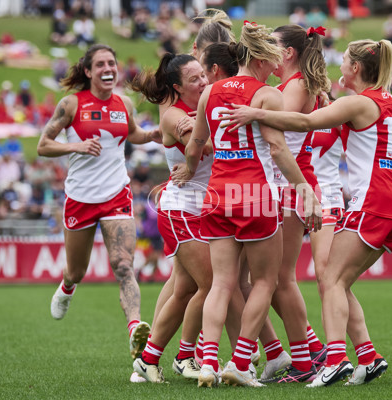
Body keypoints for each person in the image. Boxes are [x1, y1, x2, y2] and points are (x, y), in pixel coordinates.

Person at [219, 38, 392, 388]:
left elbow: (304, 124)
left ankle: (334, 359)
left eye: (345, 62)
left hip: (373, 203)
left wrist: (256, 112)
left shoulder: (358, 103)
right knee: (339, 280)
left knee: (331, 279)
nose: (339, 67)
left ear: (356, 68)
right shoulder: (390, 103)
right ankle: (367, 356)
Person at [172, 21, 322, 388]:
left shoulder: (211, 91)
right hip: (255, 195)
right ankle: (240, 362)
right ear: (263, 57)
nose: (277, 66)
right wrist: (304, 188)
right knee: (265, 282)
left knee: (221, 283)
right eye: (273, 58)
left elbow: (195, 144)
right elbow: (277, 149)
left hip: (218, 194)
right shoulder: (266, 95)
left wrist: (189, 171)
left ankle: (207, 362)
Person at [37, 44, 160, 373]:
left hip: (117, 195)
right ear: (89, 72)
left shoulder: (125, 103)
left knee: (123, 264)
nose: (109, 68)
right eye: (101, 64)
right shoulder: (71, 104)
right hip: (80, 198)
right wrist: (76, 144)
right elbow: (43, 144)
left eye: (112, 63)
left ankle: (135, 328)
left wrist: (153, 135)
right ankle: (67, 286)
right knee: (77, 270)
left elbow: (131, 134)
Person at [129, 53, 212, 383]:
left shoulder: (202, 109)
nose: (204, 81)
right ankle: (186, 356)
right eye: (195, 79)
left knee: (185, 289)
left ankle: (148, 360)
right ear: (177, 88)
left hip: (201, 209)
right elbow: (204, 148)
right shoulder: (174, 115)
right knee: (210, 284)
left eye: (204, 74)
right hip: (182, 210)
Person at [259, 23, 330, 384]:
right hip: (285, 185)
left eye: (272, 45)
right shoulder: (289, 84)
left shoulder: (297, 84)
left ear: (287, 53)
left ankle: (306, 361)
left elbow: (276, 125)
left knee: (279, 279)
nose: (266, 51)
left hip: (292, 185)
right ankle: (312, 350)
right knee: (266, 280)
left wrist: (246, 109)